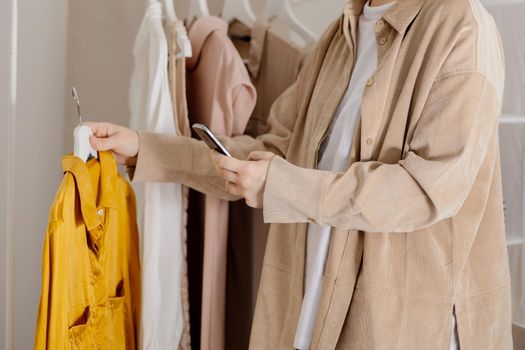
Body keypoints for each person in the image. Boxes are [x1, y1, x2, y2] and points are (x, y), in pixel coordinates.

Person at [85, 0, 512, 348]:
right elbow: (272, 154)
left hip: (398, 328)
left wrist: (283, 186)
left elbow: (424, 190)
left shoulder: (461, 27)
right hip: (310, 314)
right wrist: (145, 147)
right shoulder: (338, 38)